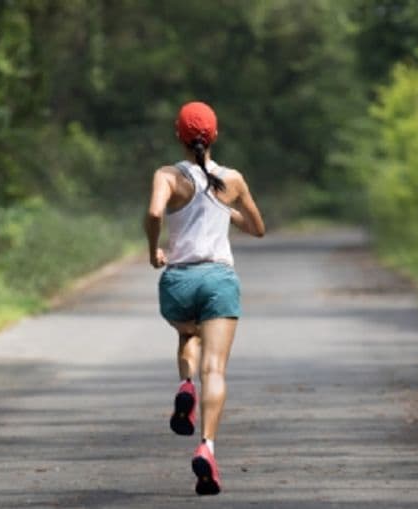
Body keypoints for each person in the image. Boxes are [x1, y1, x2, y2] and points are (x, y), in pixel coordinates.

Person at [143, 101, 265, 495]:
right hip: (218, 281)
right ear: (215, 135)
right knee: (216, 369)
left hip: (178, 282)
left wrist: (154, 250)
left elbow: (155, 213)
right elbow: (258, 228)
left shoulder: (166, 175)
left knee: (187, 336)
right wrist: (226, 212)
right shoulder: (233, 179)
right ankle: (207, 447)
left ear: (178, 135)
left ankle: (184, 385)